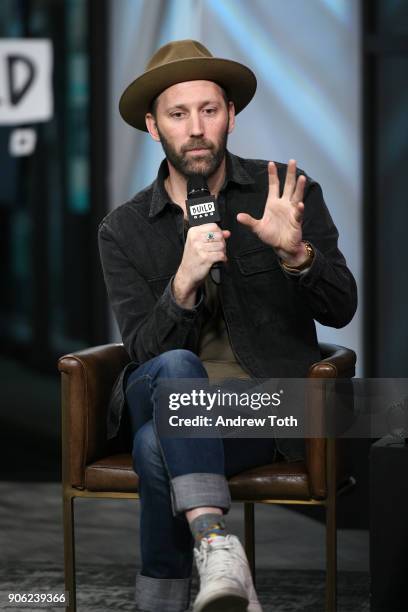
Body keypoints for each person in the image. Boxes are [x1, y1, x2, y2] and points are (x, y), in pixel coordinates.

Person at [98, 39, 357, 612]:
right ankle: (218, 549)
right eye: (178, 113)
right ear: (152, 125)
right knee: (174, 367)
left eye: (209, 110)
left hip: (262, 407)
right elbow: (140, 349)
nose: (196, 128)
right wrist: (183, 284)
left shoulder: (285, 194)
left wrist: (299, 257)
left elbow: (342, 308)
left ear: (231, 117)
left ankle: (198, 564)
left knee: (154, 444)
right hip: (161, 386)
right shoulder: (123, 230)